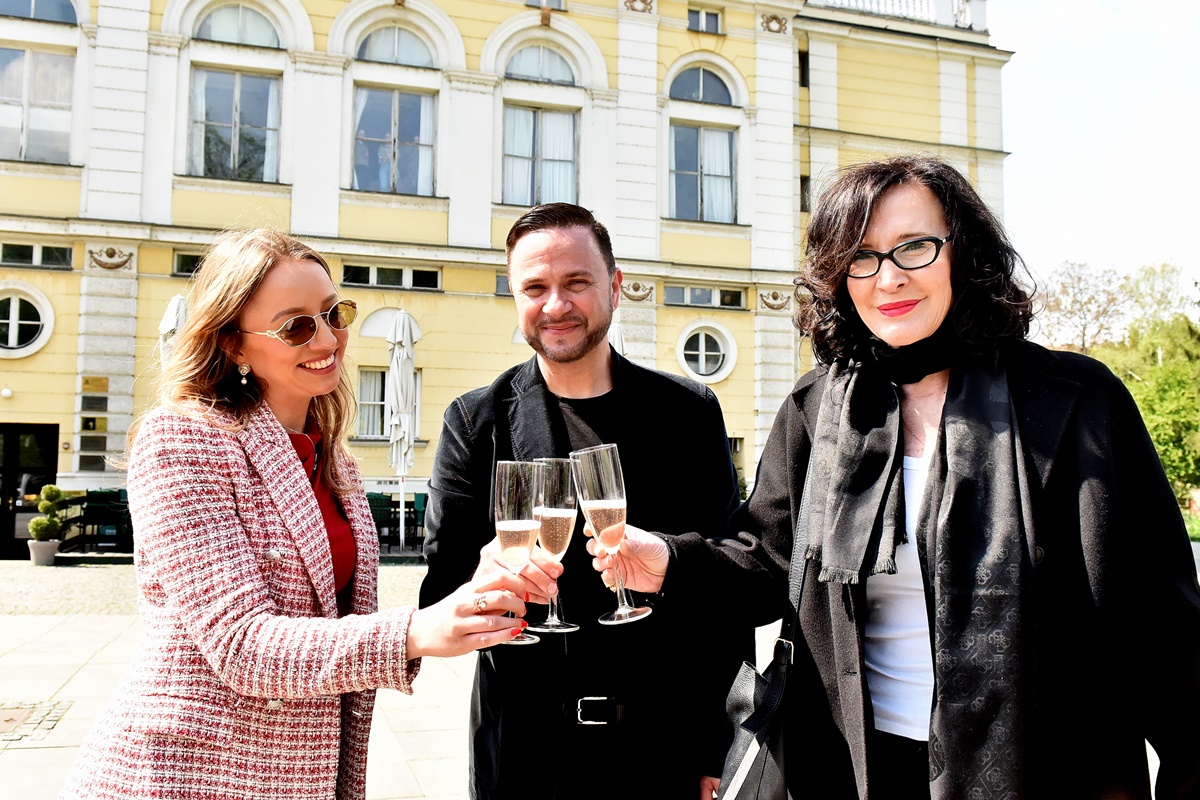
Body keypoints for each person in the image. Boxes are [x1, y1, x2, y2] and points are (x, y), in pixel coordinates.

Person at [596, 156, 1200, 799]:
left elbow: (1166, 627)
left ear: (964, 252)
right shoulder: (816, 408)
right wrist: (669, 560)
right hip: (856, 769)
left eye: (914, 246)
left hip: (1041, 769)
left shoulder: (1074, 402)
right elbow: (768, 564)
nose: (889, 278)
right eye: (862, 257)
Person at [59, 229, 528, 800]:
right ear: (232, 342)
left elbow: (330, 613)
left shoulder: (334, 460)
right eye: (296, 327)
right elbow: (240, 644)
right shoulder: (181, 439)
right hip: (190, 770)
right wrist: (415, 631)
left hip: (303, 773)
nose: (327, 338)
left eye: (334, 313)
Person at [419, 203, 753, 800]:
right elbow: (440, 594)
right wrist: (483, 582)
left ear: (615, 287)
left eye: (576, 282)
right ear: (515, 297)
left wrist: (718, 745)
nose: (556, 305)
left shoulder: (687, 413)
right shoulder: (475, 421)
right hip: (523, 756)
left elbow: (727, 582)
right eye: (535, 287)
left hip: (661, 751)